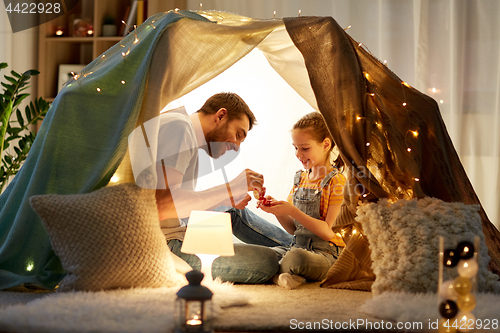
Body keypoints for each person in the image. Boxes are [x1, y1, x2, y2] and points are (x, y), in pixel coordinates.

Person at [145, 92, 292, 284]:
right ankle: (298, 253)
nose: (237, 146)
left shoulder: (185, 130)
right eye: (238, 134)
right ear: (220, 115)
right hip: (163, 244)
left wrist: (225, 199)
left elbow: (174, 204)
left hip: (175, 227)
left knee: (230, 210)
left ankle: (300, 248)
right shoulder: (179, 128)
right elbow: (161, 206)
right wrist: (229, 189)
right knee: (268, 261)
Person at [257, 112, 346, 289]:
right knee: (261, 256)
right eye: (295, 147)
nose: (298, 154)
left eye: (304, 148)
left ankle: (276, 275)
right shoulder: (300, 178)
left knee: (295, 258)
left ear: (326, 144)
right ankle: (285, 275)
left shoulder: (337, 181)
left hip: (326, 253)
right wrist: (277, 211)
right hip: (296, 246)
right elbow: (292, 228)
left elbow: (329, 232)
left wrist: (292, 210)